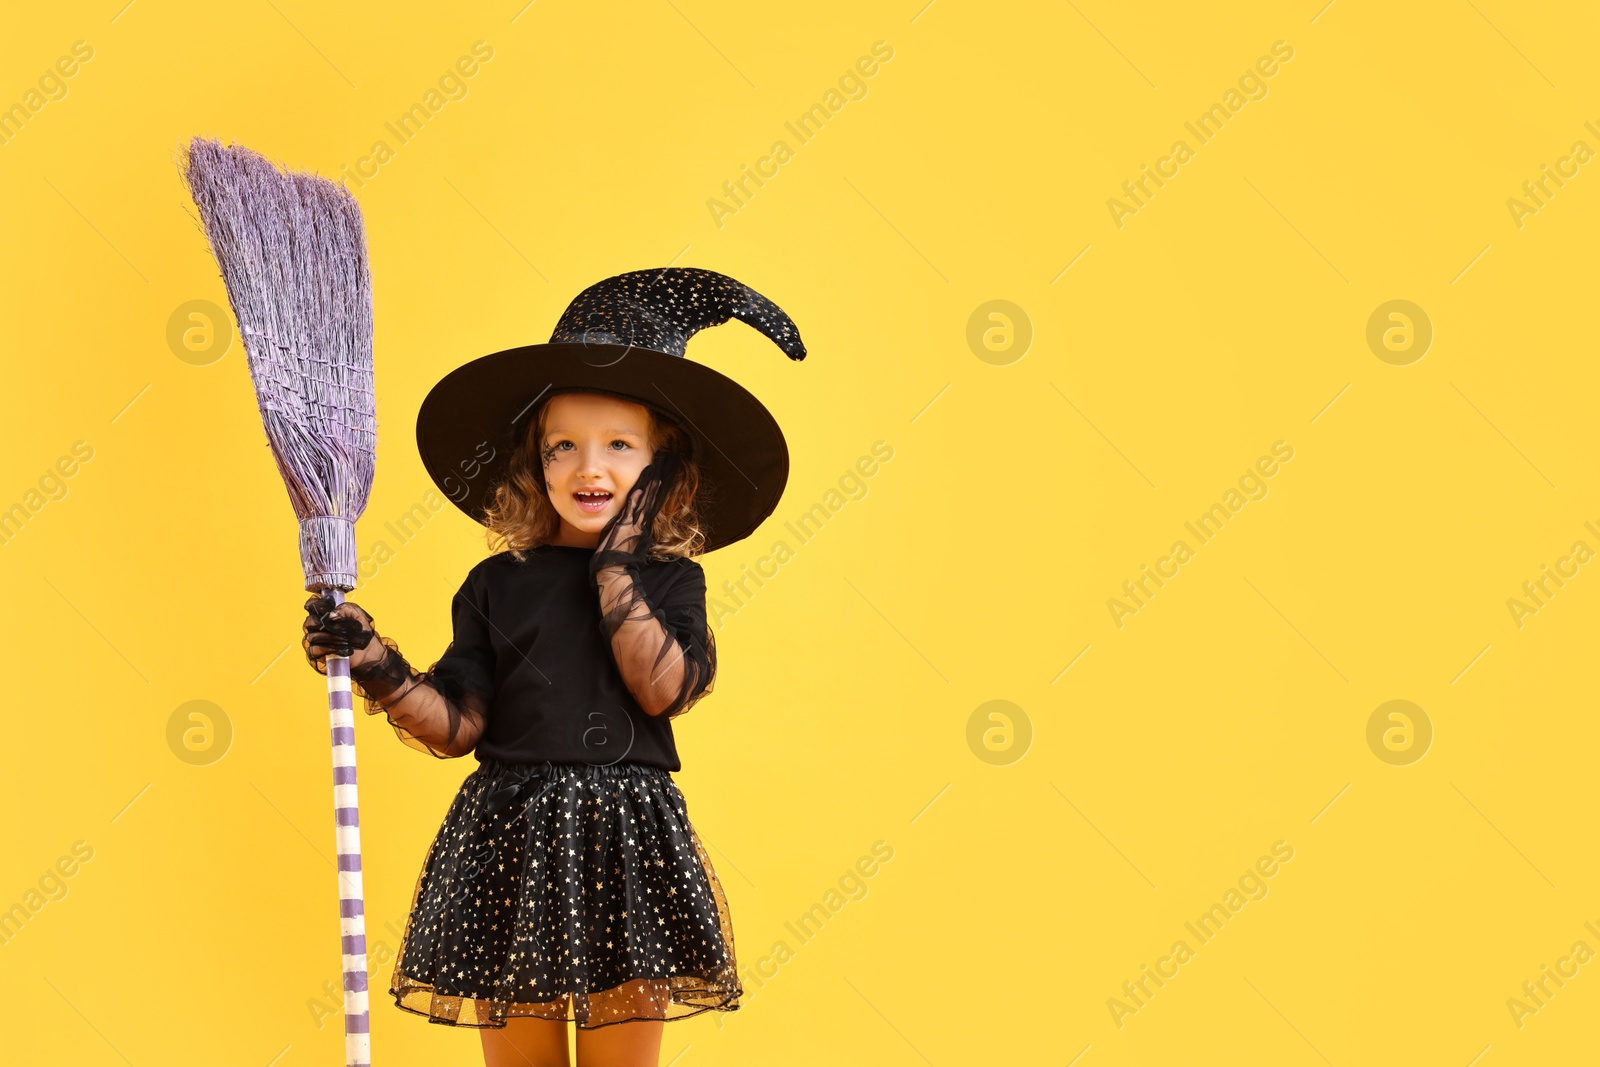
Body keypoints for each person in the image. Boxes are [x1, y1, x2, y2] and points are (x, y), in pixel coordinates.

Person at [301, 266, 805, 1067]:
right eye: (561, 446)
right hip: (510, 841)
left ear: (663, 465)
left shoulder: (673, 580)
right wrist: (375, 662)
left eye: (618, 446)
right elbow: (459, 723)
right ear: (534, 461)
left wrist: (618, 562)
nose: (587, 468)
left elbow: (662, 687)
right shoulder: (498, 583)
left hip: (626, 845)